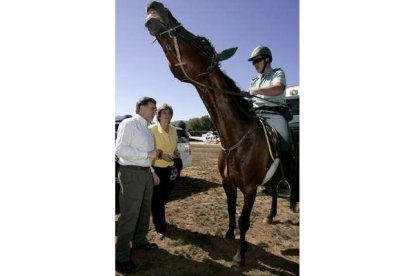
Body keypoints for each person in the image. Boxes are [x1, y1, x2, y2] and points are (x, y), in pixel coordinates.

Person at [115, 97, 160, 274]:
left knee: (144, 210)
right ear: (141, 108)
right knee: (129, 215)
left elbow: (149, 157)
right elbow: (119, 149)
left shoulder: (148, 130)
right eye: (152, 108)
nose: (155, 111)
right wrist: (146, 154)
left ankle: (140, 241)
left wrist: (152, 173)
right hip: (131, 173)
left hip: (146, 174)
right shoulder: (129, 123)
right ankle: (121, 256)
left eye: (155, 109)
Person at [248, 46, 293, 195]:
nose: (255, 64)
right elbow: (251, 97)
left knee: (285, 141)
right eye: (253, 62)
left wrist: (258, 91)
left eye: (257, 60)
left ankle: (285, 179)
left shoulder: (277, 73)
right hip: (255, 113)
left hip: (274, 112)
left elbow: (278, 89)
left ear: (267, 60)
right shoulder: (254, 80)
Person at [149, 104, 179, 240]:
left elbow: (174, 147)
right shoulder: (152, 129)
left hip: (169, 169)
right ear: (159, 115)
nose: (167, 115)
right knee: (157, 200)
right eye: (164, 113)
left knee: (163, 198)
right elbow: (149, 149)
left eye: (169, 113)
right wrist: (162, 155)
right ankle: (160, 227)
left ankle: (159, 221)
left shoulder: (173, 130)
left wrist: (176, 152)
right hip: (156, 169)